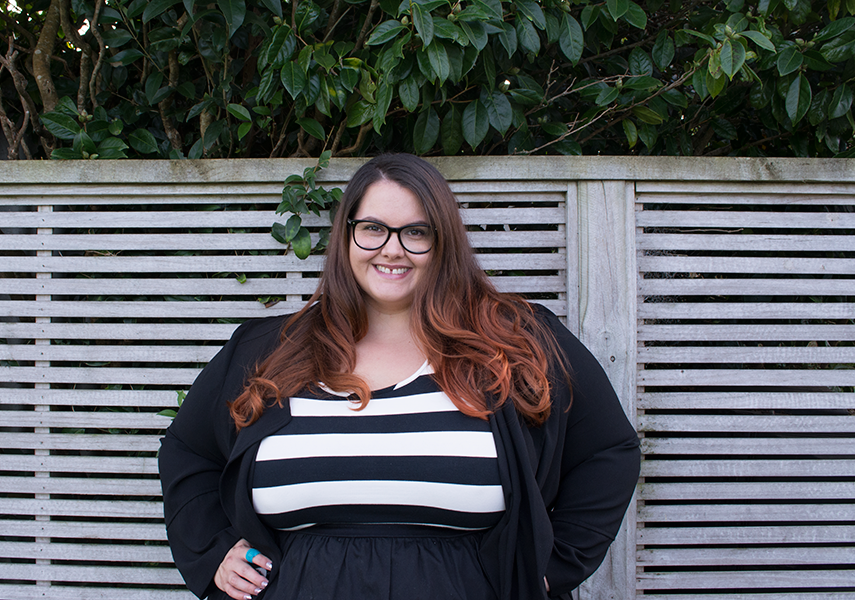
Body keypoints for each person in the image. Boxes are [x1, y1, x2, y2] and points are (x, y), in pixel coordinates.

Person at [159, 154, 640, 600]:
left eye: (416, 232)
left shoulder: (516, 341)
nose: (393, 250)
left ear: (442, 241)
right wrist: (216, 550)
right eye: (373, 228)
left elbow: (607, 452)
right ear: (347, 234)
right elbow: (188, 451)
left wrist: (551, 567)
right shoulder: (267, 349)